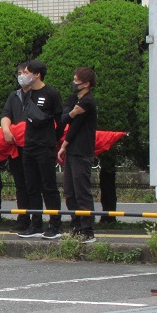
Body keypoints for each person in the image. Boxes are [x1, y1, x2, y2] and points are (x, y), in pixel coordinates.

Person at [16, 60, 64, 239]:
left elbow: (61, 120)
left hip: (45, 146)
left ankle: (55, 225)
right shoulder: (28, 94)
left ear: (37, 74)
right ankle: (35, 224)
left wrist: (53, 139)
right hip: (29, 145)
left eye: (27, 72)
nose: (23, 75)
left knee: (48, 186)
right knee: (31, 186)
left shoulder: (51, 93)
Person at [58, 67, 98, 243]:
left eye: (76, 80)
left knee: (82, 191)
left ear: (86, 84)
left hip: (82, 150)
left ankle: (87, 230)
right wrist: (72, 112)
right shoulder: (74, 99)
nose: (74, 83)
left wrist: (63, 145)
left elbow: (75, 125)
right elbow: (65, 118)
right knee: (69, 191)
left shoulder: (88, 102)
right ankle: (76, 226)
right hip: (72, 150)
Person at [1, 63, 34, 233]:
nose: (21, 76)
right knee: (20, 184)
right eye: (19, 73)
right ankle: (23, 219)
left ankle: (36, 221)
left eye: (25, 73)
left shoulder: (39, 94)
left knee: (34, 184)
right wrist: (6, 129)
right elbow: (6, 114)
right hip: (15, 146)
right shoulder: (14, 96)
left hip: (33, 145)